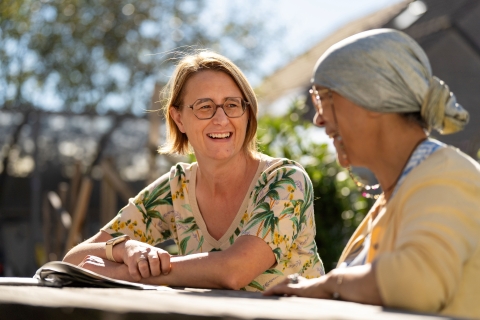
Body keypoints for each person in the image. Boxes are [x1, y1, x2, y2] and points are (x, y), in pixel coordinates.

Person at [63, 51, 324, 291]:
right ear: (178, 118)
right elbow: (75, 260)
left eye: (232, 105)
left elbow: (235, 271)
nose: (221, 119)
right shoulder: (175, 189)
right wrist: (125, 249)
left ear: (247, 113)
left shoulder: (285, 180)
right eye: (204, 106)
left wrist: (129, 274)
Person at [264, 29, 480, 319]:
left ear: (371, 97)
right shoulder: (403, 189)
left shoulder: (448, 177)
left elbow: (417, 284)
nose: (318, 118)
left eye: (322, 97)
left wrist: (328, 284)